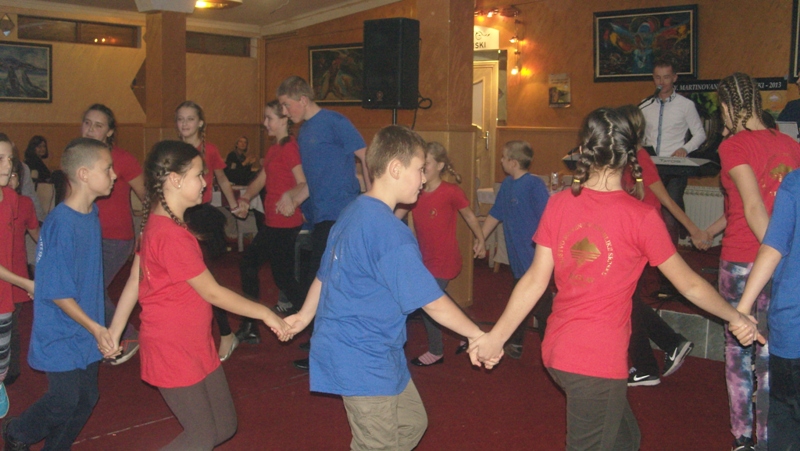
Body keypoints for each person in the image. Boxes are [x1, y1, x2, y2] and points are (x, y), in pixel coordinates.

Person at [470, 108, 762, 451]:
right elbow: (690, 285)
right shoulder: (642, 217)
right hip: (595, 361)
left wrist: (497, 337)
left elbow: (535, 279)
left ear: (583, 149)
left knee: (626, 439)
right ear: (631, 154)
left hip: (559, 350)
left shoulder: (559, 203)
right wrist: (736, 316)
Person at [283, 125, 488, 450]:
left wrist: (304, 316)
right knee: (376, 444)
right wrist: (477, 335)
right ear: (395, 168)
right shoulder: (389, 232)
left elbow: (326, 273)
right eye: (419, 169)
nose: (423, 179)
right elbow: (432, 301)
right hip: (361, 354)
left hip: (380, 348)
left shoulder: (354, 209)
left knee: (412, 422)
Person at [107, 140, 289, 450]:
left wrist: (115, 329)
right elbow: (212, 292)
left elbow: (136, 279)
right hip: (172, 346)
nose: (205, 183)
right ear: (175, 180)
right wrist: (266, 313)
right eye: (198, 175)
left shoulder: (163, 223)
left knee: (225, 425)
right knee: (202, 435)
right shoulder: (169, 234)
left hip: (194, 342)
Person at [702, 72, 800, 451]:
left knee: (739, 351)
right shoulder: (789, 144)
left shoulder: (734, 145)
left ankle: (744, 436)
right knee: (771, 352)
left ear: (727, 106)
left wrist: (775, 253)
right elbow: (747, 205)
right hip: (779, 260)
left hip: (746, 258)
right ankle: (771, 435)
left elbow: (754, 206)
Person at [1, 137, 119, 450]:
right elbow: (57, 292)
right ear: (83, 174)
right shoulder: (61, 224)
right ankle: (17, 433)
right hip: (61, 329)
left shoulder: (91, 214)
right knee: (64, 399)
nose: (114, 175)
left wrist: (97, 326)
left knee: (87, 397)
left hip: (86, 328)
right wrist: (97, 327)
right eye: (107, 169)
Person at [276, 75, 370, 370]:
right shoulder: (304, 132)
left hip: (340, 214)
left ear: (303, 100)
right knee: (319, 281)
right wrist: (295, 199)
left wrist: (373, 200)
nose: (284, 112)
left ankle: (326, 348)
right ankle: (323, 339)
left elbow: (367, 157)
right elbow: (315, 179)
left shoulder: (334, 121)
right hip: (320, 215)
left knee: (324, 282)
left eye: (286, 105)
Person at [617, 104, 710, 386]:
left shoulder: (641, 158)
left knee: (626, 303)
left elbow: (667, 200)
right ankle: (670, 344)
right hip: (631, 237)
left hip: (640, 239)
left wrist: (694, 230)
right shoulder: (624, 158)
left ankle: (648, 365)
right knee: (628, 301)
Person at [396, 141, 486, 366]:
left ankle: (436, 351)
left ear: (440, 165)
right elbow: (397, 214)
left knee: (428, 302)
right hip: (424, 259)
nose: (422, 168)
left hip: (445, 259)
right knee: (440, 298)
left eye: (426, 163)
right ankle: (470, 330)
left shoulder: (450, 191)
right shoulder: (415, 192)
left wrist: (481, 239)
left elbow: (469, 216)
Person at [734, 168, 800, 449]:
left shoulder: (796, 181)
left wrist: (742, 310)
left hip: (792, 322)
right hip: (791, 325)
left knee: (785, 420)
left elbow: (773, 247)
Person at [232, 100, 308, 344]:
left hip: (285, 224)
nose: (265, 123)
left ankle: (252, 325)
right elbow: (261, 179)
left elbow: (304, 182)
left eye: (269, 118)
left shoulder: (290, 148)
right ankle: (313, 323)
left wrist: (289, 196)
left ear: (284, 120)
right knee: (280, 276)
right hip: (273, 223)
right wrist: (246, 197)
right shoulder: (275, 149)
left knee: (257, 267)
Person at [175, 101, 242, 361]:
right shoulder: (173, 150)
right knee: (183, 281)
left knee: (205, 279)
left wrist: (234, 206)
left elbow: (222, 179)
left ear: (201, 123)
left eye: (190, 119)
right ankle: (192, 333)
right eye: (181, 119)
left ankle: (226, 333)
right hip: (177, 216)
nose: (185, 124)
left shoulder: (209, 150)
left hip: (200, 217)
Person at [81, 103, 145, 365]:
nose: (90, 129)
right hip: (86, 235)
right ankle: (102, 339)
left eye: (98, 126)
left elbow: (147, 195)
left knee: (91, 289)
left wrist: (145, 229)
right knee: (86, 289)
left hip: (115, 237)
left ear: (109, 132)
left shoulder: (122, 158)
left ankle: (128, 335)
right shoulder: (77, 156)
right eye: (87, 123)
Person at [479, 140, 549, 359]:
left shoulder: (534, 185)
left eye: (503, 157)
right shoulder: (508, 184)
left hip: (535, 258)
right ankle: (516, 344)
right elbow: (496, 213)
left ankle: (551, 348)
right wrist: (481, 238)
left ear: (514, 162)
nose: (501, 161)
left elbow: (548, 218)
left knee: (541, 308)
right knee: (520, 302)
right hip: (518, 257)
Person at [639, 58, 707, 244]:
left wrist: (685, 148)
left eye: (666, 77)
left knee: (670, 214)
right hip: (650, 166)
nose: (662, 82)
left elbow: (700, 134)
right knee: (650, 211)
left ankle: (672, 254)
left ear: (675, 78)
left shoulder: (685, 105)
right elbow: (639, 134)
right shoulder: (645, 105)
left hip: (675, 167)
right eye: (657, 77)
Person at [0, 134, 35, 420]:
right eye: (0, 159)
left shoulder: (11, 199)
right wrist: (25, 282)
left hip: (4, 294)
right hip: (9, 285)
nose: (7, 166)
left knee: (3, 360)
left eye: (10, 158)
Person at [7, 160, 39, 388]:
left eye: (14, 176)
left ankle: (11, 369)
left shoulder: (25, 204)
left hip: (17, 275)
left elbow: (38, 236)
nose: (10, 180)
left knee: (12, 326)